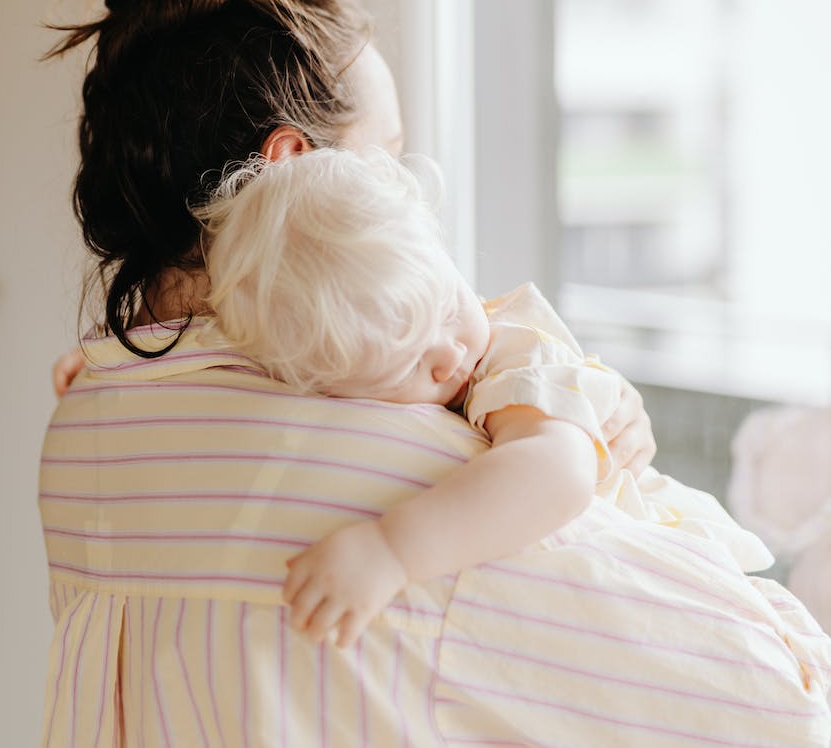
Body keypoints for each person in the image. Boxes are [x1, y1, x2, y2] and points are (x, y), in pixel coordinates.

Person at [41, 0, 816, 748]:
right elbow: (774, 711)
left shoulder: (82, 433)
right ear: (295, 163)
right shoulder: (418, 478)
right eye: (388, 155)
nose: (407, 194)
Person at [191, 144, 831, 727]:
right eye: (405, 365)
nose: (449, 354)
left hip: (700, 587)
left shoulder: (516, 353)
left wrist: (392, 550)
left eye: (445, 307)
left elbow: (557, 475)